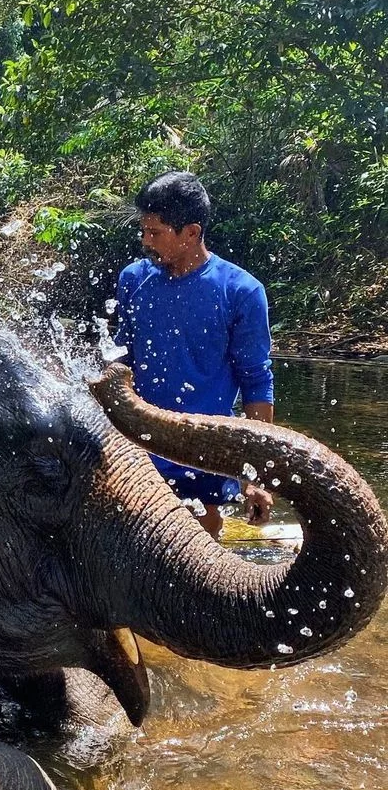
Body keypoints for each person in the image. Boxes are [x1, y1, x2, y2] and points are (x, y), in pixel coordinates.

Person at [114, 170, 275, 541]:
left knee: (199, 564)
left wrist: (255, 477)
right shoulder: (133, 280)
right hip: (137, 449)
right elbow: (120, 363)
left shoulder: (241, 291)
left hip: (202, 452)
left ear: (191, 232)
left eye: (155, 233)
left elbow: (256, 381)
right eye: (143, 231)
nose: (145, 241)